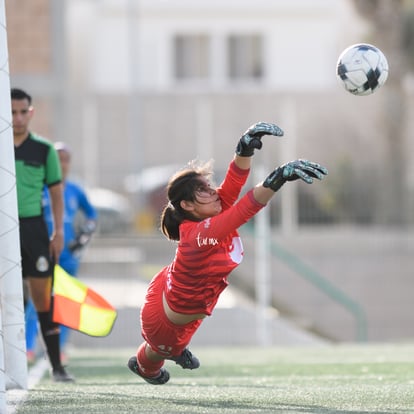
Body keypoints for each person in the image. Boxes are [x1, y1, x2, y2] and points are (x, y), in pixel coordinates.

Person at [127, 121, 328, 385]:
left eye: (208, 186)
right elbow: (244, 208)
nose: (212, 191)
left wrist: (244, 148)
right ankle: (148, 365)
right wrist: (277, 179)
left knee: (175, 346)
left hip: (181, 298)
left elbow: (233, 184)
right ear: (187, 205)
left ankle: (173, 351)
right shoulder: (199, 235)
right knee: (158, 352)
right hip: (164, 320)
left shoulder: (208, 213)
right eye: (203, 190)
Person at [11, 88, 74, 382]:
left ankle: (57, 368)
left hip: (33, 228)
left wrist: (58, 231)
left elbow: (56, 192)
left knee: (43, 299)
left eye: (23, 112)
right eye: (12, 112)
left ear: (31, 112)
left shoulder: (43, 150)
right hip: (3, 230)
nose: (18, 118)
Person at [25, 142, 98, 362]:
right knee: (38, 299)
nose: (61, 163)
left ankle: (59, 348)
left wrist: (84, 235)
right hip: (42, 254)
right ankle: (28, 347)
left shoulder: (76, 190)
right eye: (57, 159)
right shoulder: (38, 188)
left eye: (65, 159)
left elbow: (92, 216)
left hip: (67, 256)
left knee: (67, 301)